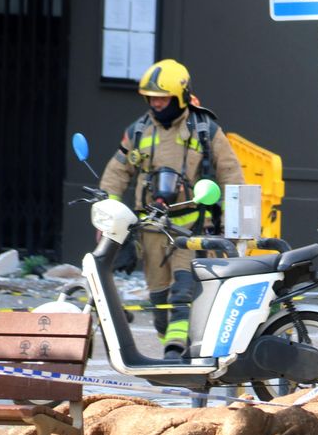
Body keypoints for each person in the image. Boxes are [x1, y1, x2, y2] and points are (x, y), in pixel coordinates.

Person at [99, 59, 245, 359]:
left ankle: (175, 350)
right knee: (158, 297)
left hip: (190, 229)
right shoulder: (138, 131)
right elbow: (116, 173)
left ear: (179, 96)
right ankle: (175, 346)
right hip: (151, 229)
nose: (156, 104)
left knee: (183, 288)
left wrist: (233, 223)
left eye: (162, 98)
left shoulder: (204, 129)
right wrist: (107, 214)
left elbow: (232, 174)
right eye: (151, 98)